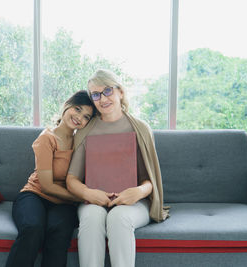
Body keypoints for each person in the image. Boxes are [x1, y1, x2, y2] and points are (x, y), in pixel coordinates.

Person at [66, 70, 169, 267]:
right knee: (91, 217)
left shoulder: (140, 128)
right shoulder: (85, 130)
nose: (102, 99)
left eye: (107, 91)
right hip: (94, 201)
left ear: (120, 92)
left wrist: (137, 192)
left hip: (134, 203)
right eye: (95, 94)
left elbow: (150, 181)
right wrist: (89, 193)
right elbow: (71, 179)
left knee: (119, 217)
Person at [5, 90, 96, 267]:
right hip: (35, 194)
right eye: (77, 109)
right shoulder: (47, 138)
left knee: (58, 231)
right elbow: (46, 186)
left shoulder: (82, 141)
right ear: (66, 106)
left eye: (86, 117)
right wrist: (82, 197)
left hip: (64, 204)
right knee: (32, 228)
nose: (79, 118)